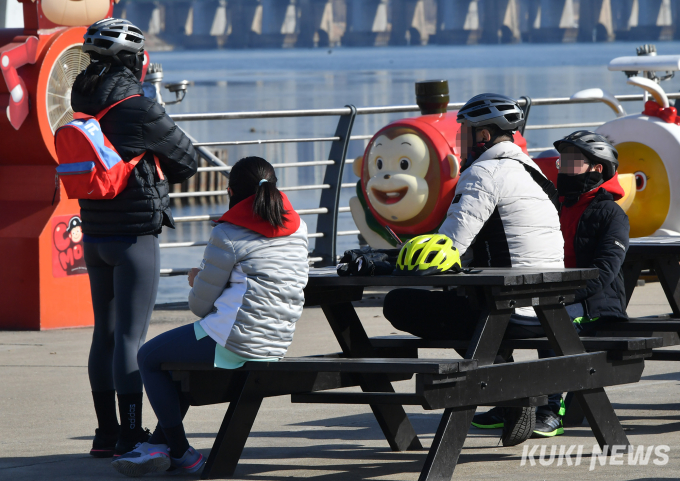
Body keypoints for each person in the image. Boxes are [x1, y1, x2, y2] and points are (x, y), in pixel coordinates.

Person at [382, 93, 564, 446]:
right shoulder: (535, 172)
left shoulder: (484, 173)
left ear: (482, 136)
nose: (461, 142)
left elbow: (447, 248)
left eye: (464, 132)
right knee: (461, 303)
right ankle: (509, 391)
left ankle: (510, 390)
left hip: (508, 310)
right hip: (548, 306)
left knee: (400, 303)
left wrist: (386, 261)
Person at [111, 157, 309, 477]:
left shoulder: (228, 232)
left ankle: (180, 451)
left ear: (231, 192)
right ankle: (157, 446)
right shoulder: (299, 226)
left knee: (148, 356)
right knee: (177, 366)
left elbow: (200, 307)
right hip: (278, 339)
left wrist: (197, 278)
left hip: (236, 338)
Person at [72, 18, 198, 458]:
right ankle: (131, 434)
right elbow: (188, 161)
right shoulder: (139, 106)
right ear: (134, 59)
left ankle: (105, 433)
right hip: (134, 237)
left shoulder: (80, 100)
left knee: (103, 334)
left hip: (94, 231)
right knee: (131, 338)